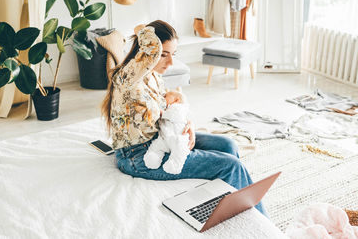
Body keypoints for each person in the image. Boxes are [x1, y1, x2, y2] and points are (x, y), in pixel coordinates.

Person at [101, 20, 267, 216]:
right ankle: (261, 224)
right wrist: (139, 30)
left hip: (164, 138)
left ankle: (226, 202)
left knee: (228, 145)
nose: (170, 63)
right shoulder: (128, 76)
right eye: (163, 55)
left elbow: (169, 105)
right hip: (137, 157)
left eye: (173, 54)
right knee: (232, 166)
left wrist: (187, 124)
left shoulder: (153, 77)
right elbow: (152, 48)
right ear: (146, 50)